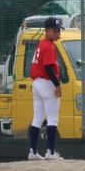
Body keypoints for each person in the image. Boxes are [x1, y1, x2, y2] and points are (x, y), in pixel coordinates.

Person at [28, 17, 65, 160]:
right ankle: (50, 152)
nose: (57, 33)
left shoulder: (41, 44)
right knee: (52, 118)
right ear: (46, 31)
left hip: (37, 83)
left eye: (58, 31)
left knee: (37, 118)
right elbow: (48, 67)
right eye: (54, 31)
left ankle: (32, 152)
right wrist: (57, 84)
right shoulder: (49, 46)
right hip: (47, 83)